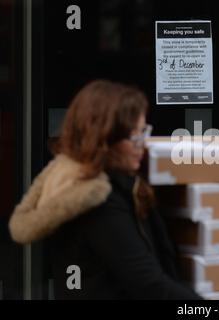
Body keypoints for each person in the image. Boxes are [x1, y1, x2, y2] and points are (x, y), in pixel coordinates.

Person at [8, 80, 202, 300]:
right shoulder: (96, 200)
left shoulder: (113, 185)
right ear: (105, 139)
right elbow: (147, 283)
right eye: (134, 136)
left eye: (144, 132)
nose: (143, 144)